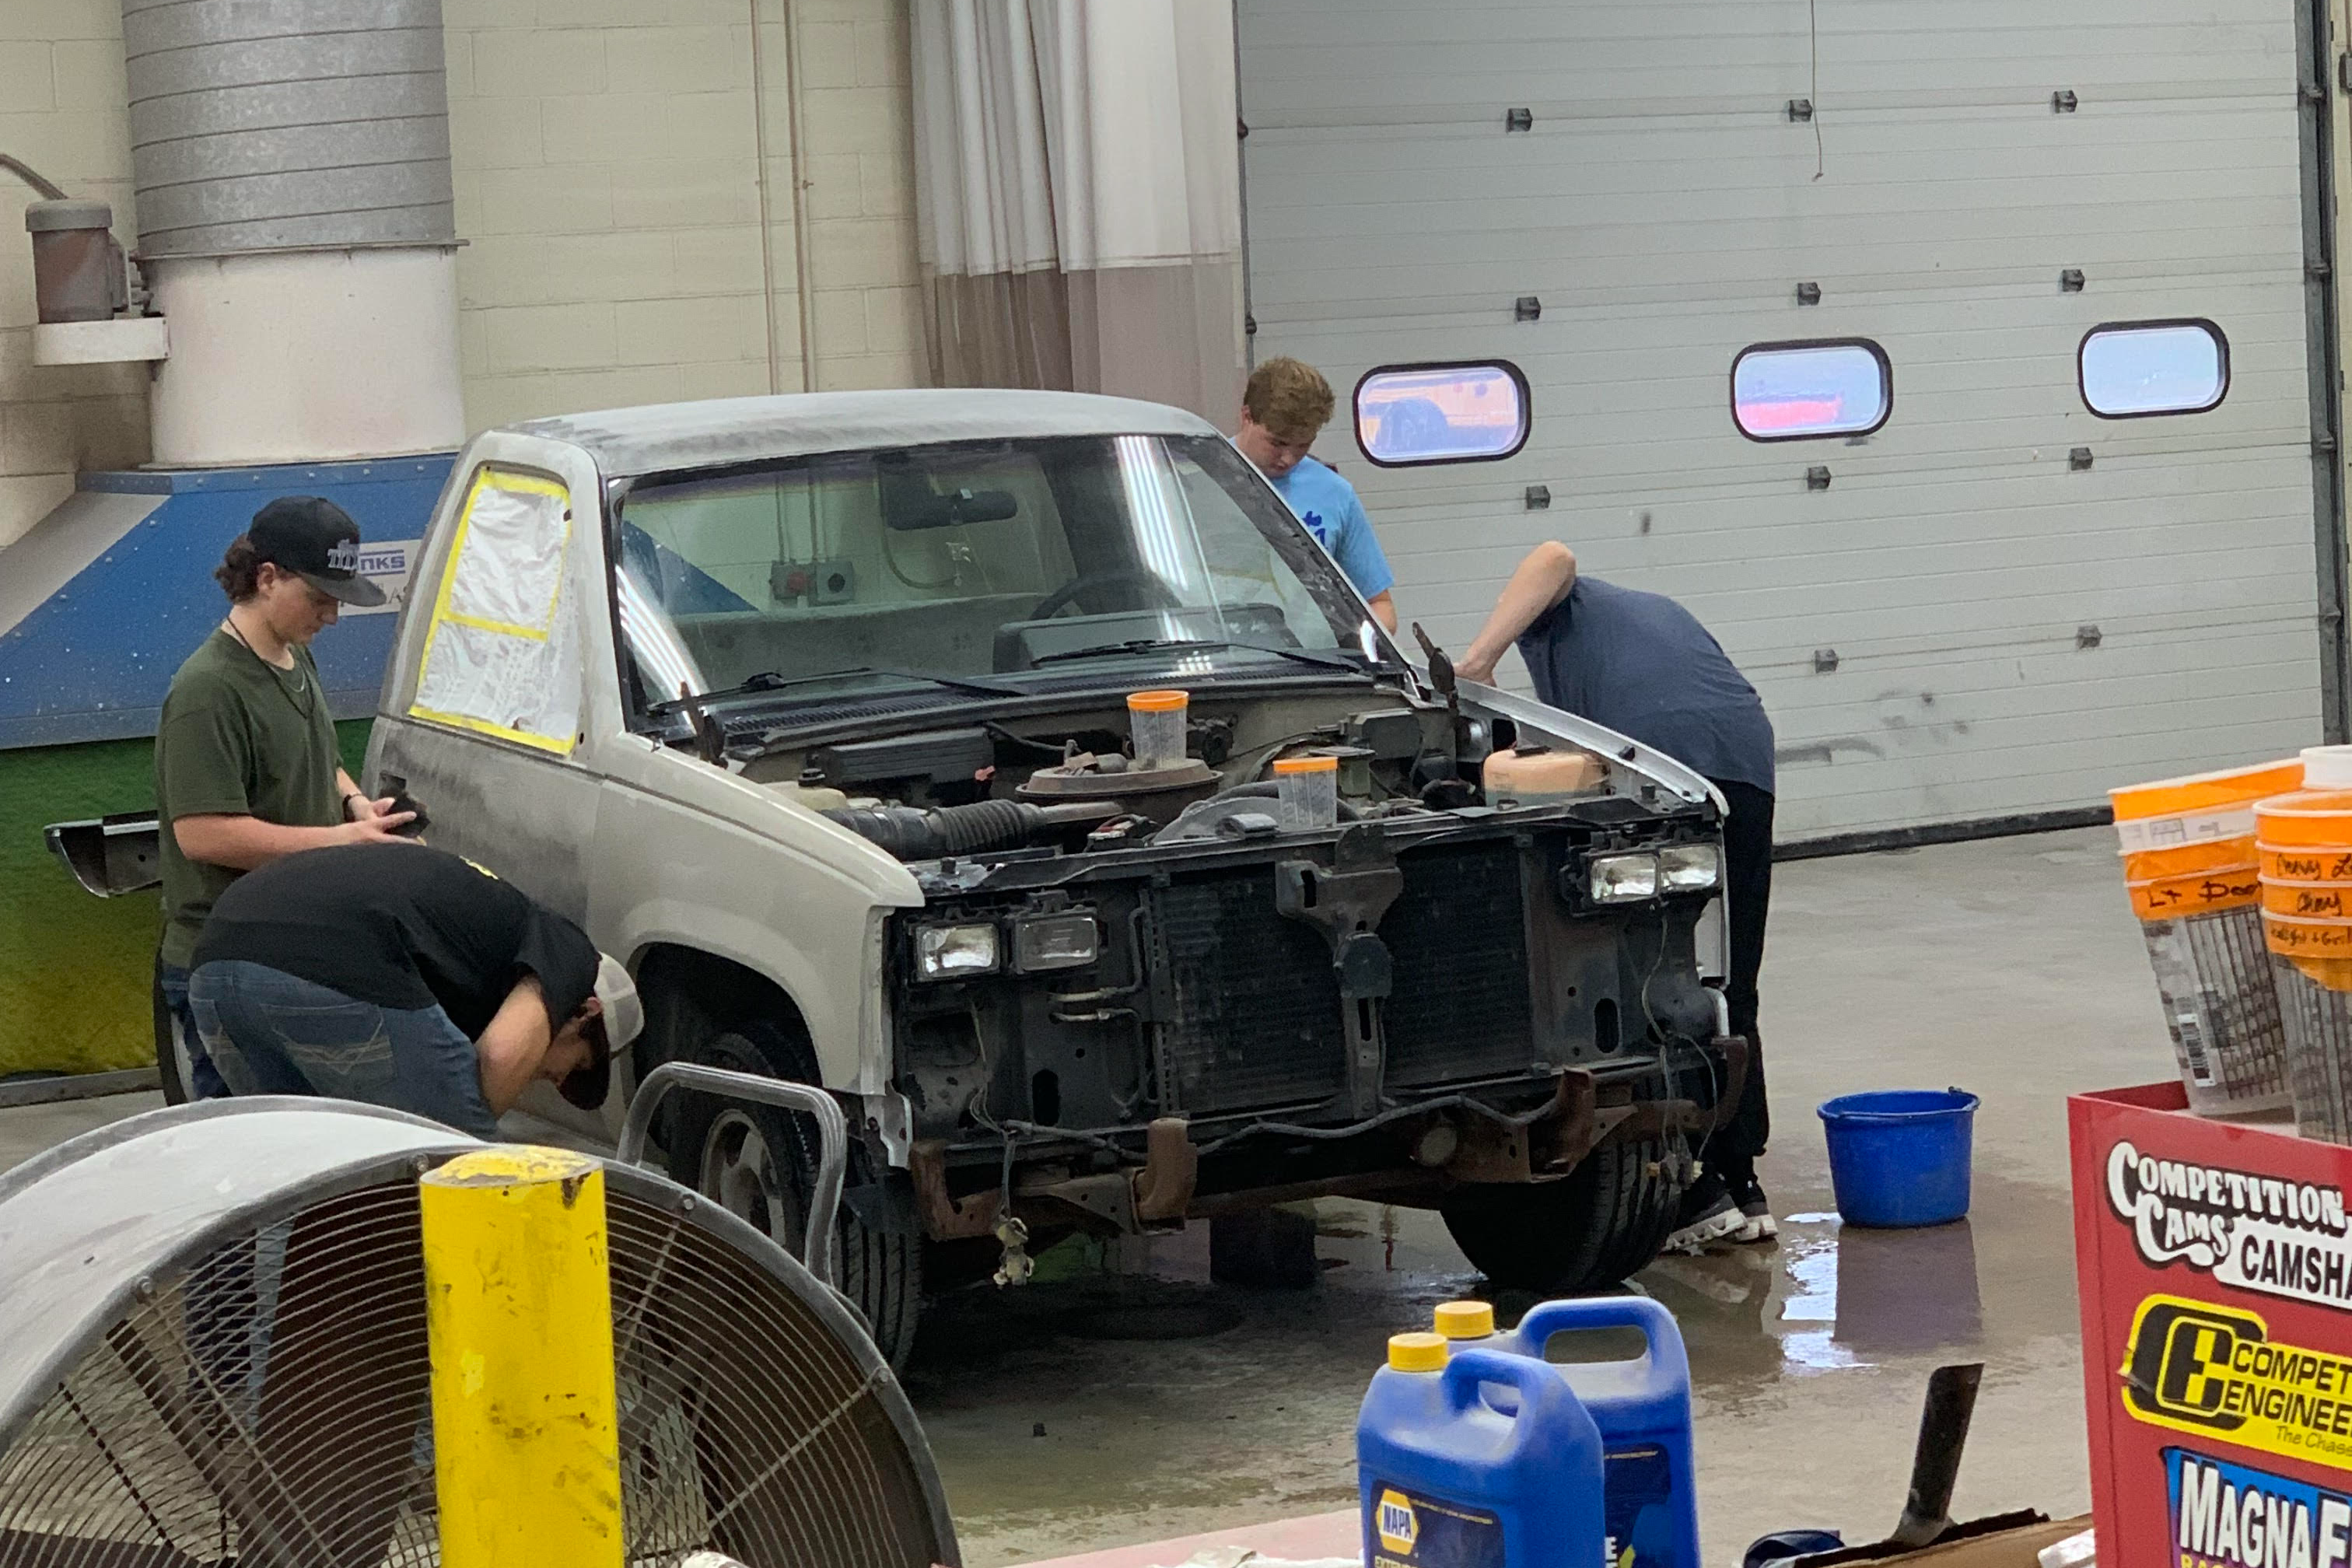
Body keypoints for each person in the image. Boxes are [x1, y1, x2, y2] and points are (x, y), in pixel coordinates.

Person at [1457, 542, 1778, 1250]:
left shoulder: (1562, 610)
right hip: (1746, 759)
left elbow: (1551, 553)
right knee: (1733, 981)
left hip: (1676, 762)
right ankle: (1743, 1184)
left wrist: (1478, 663)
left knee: (1652, 973)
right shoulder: (1646, 618)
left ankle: (1694, 1190)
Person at [152, 496, 415, 1100]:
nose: (331, 615)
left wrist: (354, 805)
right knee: (250, 1147)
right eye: (319, 598)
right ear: (267, 578)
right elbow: (204, 834)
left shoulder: (295, 659)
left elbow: (318, 755)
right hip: (224, 962)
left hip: (290, 947)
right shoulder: (207, 690)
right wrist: (342, 844)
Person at [187, 842, 642, 1137]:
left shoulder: (479, 951)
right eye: (572, 1065)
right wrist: (470, 1128)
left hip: (216, 959)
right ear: (585, 1012)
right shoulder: (572, 957)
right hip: (335, 961)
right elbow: (501, 1058)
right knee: (457, 1163)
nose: (555, 1079)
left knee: (296, 1176)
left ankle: (270, 1291)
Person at [1234, 356, 1400, 632]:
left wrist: (1358, 644)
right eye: (1277, 443)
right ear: (1247, 417)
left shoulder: (1334, 493)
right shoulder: (1202, 479)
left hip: (1315, 663)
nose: (1288, 459)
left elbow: (1379, 605)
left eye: (1302, 445)